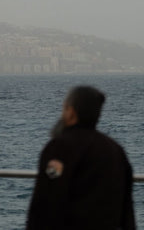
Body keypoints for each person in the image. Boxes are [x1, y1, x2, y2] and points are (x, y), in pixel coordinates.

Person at [26, 86, 136, 230]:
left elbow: (46, 201)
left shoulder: (59, 148)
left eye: (64, 109)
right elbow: (127, 209)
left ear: (71, 112)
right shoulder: (116, 150)